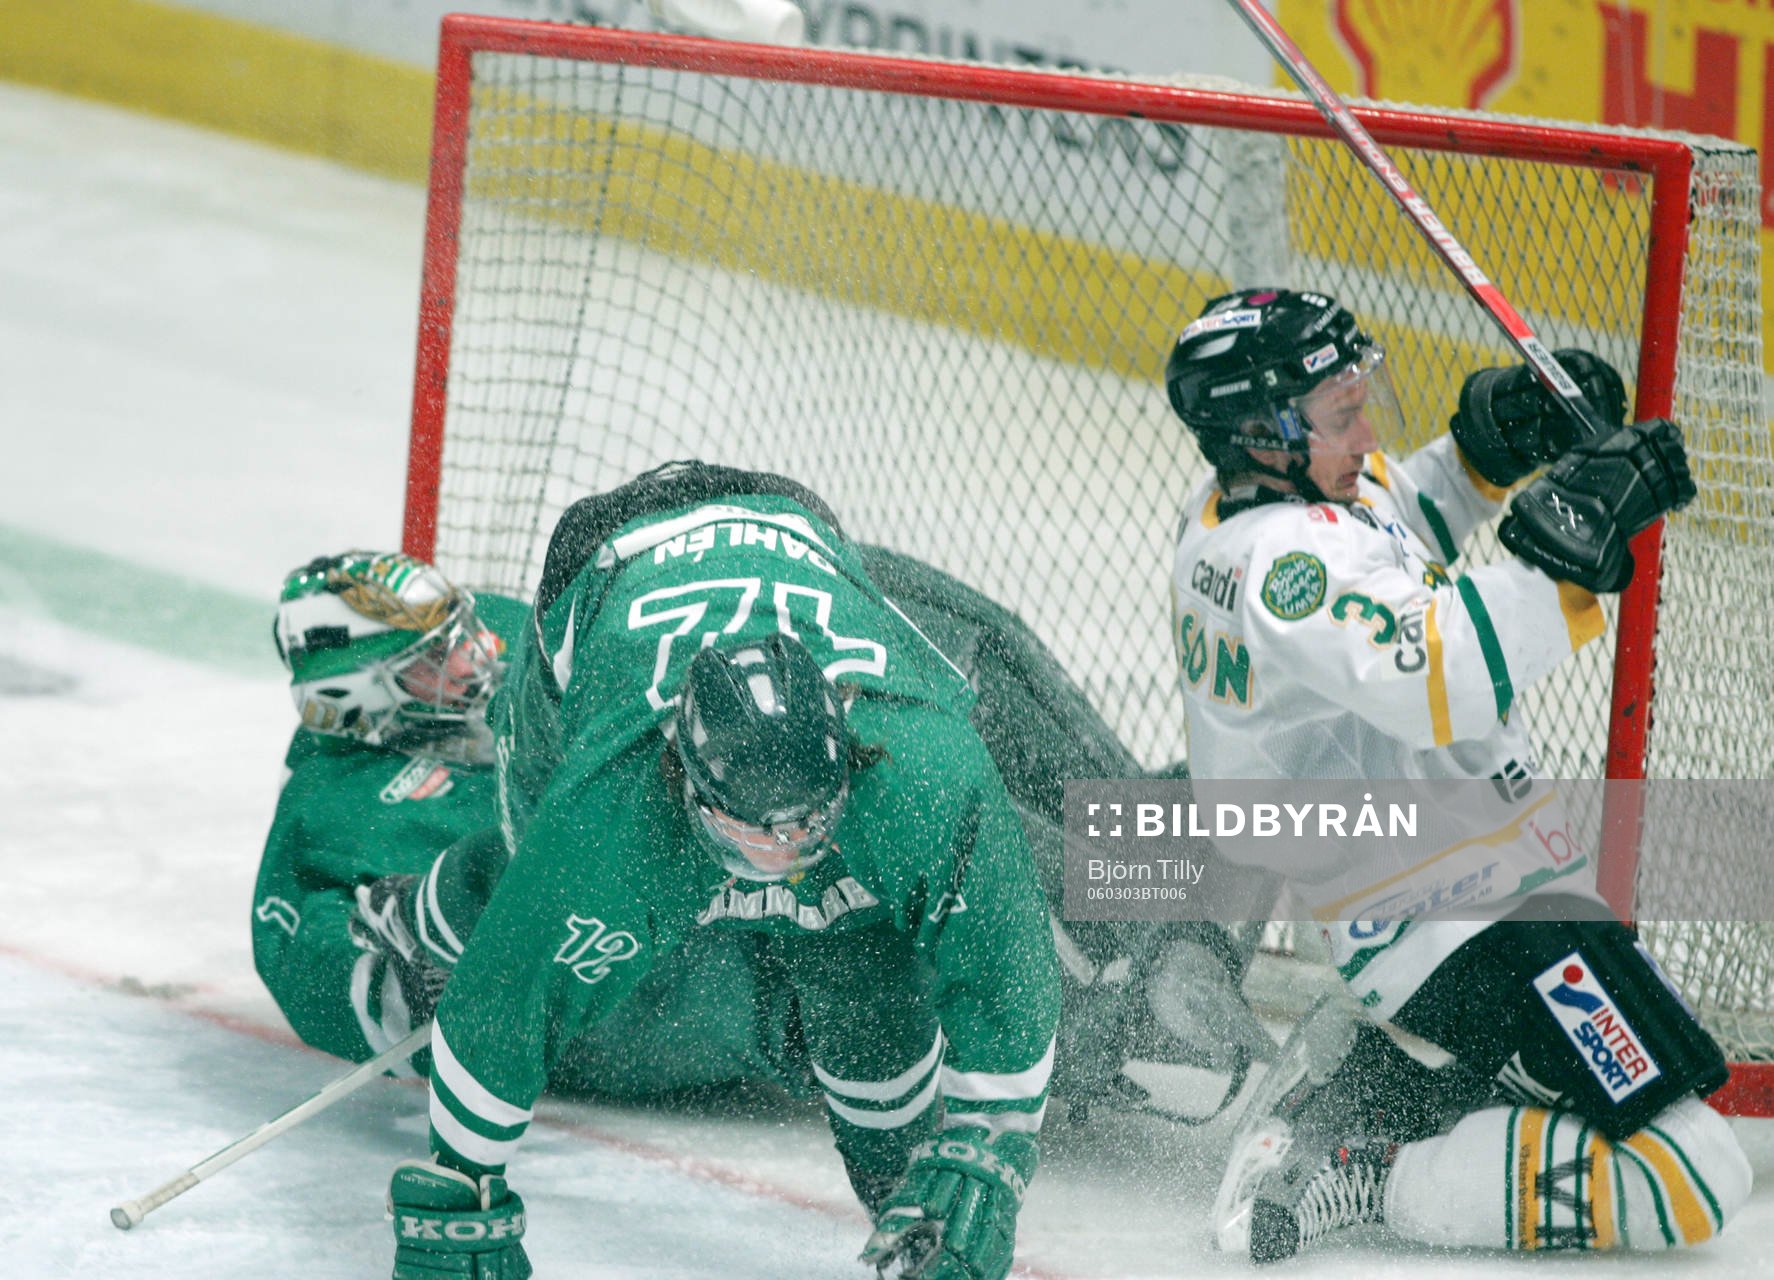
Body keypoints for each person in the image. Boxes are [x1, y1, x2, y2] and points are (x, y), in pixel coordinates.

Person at [1162, 288, 1752, 1262]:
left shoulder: (1281, 505)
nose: (1366, 431)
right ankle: (1355, 1154)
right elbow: (1448, 673)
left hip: (1482, 898)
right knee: (1691, 1179)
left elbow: (1399, 523)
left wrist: (1487, 450)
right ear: (1263, 433)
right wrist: (1575, 520)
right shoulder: (1281, 566)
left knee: (1676, 1081)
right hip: (1448, 927)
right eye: (1341, 415)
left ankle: (1387, 1074)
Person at [382, 462, 1063, 1280]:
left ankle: (898, 1199)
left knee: (860, 952)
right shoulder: (609, 806)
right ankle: (430, 916)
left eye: (810, 822)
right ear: (685, 784)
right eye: (756, 833)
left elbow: (1004, 965)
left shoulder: (925, 770)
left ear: (848, 748)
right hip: (595, 571)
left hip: (790, 521)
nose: (787, 854)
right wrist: (462, 1183)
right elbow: (507, 1002)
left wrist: (981, 1147)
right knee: (537, 897)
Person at [253, 550, 800, 1099]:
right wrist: (417, 977)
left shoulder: (501, 632)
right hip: (614, 968)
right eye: (434, 659)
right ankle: (804, 1021)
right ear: (353, 699)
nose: (477, 657)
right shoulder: (332, 810)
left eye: (462, 632)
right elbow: (309, 969)